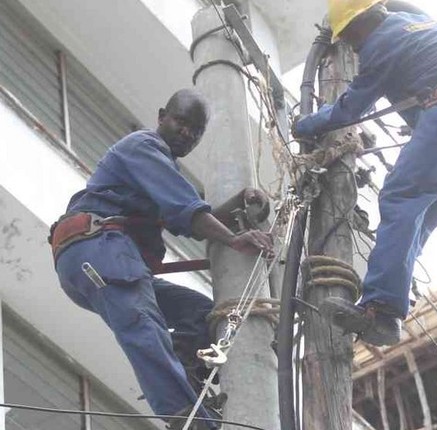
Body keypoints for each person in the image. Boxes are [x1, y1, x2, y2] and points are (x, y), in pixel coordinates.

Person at [293, 0, 437, 346]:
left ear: (362, 23)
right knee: (423, 214)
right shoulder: (423, 26)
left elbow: (350, 108)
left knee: (401, 196)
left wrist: (306, 124)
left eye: (351, 38)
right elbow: (425, 63)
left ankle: (381, 308)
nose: (354, 47)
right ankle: (394, 292)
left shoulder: (381, 42)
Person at [49, 89, 273, 430]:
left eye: (195, 131)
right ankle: (185, 417)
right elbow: (189, 213)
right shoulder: (144, 147)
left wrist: (241, 203)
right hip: (98, 250)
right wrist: (234, 240)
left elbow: (192, 221)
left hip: (111, 258)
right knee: (142, 324)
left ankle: (184, 373)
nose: (187, 133)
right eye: (181, 122)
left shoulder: (160, 169)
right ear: (161, 116)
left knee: (204, 314)